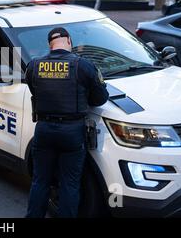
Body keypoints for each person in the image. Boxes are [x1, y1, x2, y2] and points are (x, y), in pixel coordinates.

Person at [25, 27, 109, 218]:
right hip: (72, 132)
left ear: (50, 45)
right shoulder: (82, 65)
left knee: (40, 181)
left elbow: (34, 90)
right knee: (70, 184)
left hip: (44, 129)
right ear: (69, 41)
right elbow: (100, 98)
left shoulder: (34, 65)